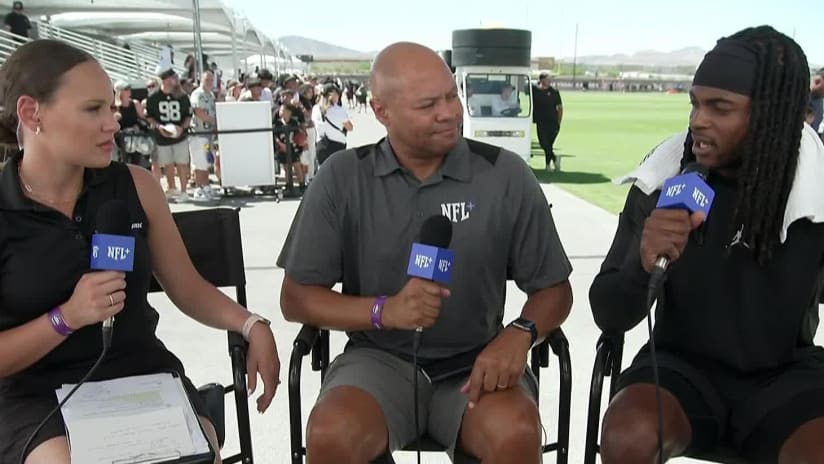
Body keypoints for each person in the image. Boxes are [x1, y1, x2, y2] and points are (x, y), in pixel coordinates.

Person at [277, 42, 573, 464]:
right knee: (331, 434)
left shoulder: (505, 175)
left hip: (477, 363)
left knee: (516, 433)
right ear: (382, 112)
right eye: (428, 104)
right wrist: (385, 311)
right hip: (378, 359)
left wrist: (521, 332)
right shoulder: (342, 177)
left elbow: (554, 290)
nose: (450, 112)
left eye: (452, 95)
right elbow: (297, 298)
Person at [0, 40, 281, 464]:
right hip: (34, 390)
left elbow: (186, 288)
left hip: (140, 372)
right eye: (93, 109)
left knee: (197, 454)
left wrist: (251, 324)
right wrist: (67, 318)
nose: (113, 124)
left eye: (112, 108)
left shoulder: (137, 186)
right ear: (31, 113)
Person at [590, 26, 824, 463]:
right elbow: (608, 312)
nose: (698, 120)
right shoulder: (665, 174)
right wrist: (643, 265)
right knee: (627, 436)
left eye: (720, 108)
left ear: (774, 115)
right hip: (680, 370)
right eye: (695, 103)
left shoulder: (818, 183)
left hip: (786, 375)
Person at [145, 68, 192, 200]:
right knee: (168, 163)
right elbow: (149, 115)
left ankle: (184, 191)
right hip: (162, 136)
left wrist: (181, 128)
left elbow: (188, 115)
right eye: (172, 78)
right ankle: (172, 188)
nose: (175, 80)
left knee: (182, 163)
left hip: (179, 135)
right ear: (165, 80)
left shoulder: (181, 96)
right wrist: (159, 127)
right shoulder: (153, 97)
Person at [311, 84, 352, 166]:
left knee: (324, 174)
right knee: (337, 174)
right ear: (333, 95)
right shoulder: (339, 110)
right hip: (337, 145)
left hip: (321, 145)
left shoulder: (315, 109)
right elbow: (350, 127)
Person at [532, 72, 563, 172]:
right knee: (543, 144)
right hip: (540, 121)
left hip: (552, 122)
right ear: (541, 80)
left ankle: (548, 165)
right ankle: (555, 159)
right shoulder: (535, 90)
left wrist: (559, 122)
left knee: (548, 144)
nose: (549, 81)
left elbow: (560, 108)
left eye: (550, 79)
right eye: (547, 79)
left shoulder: (554, 92)